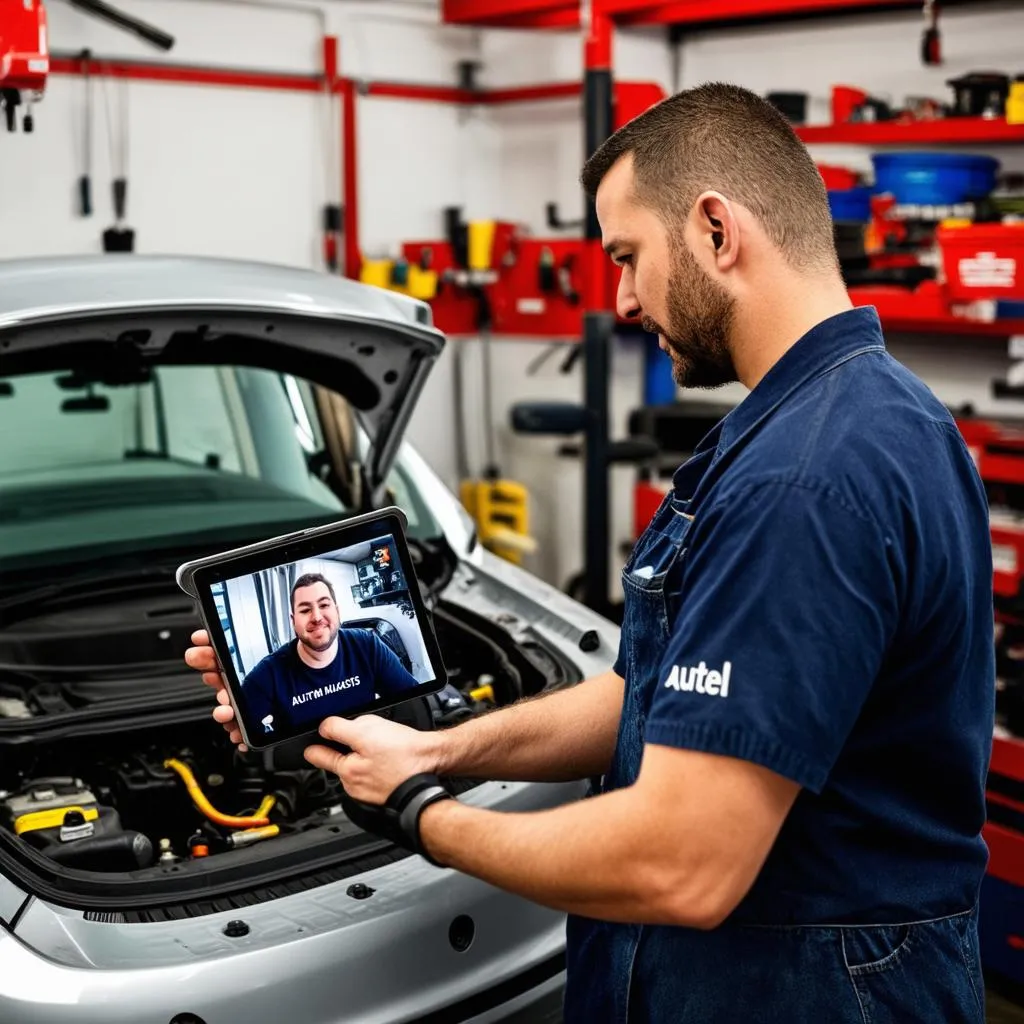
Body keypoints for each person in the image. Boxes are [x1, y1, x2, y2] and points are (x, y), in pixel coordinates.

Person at [186, 83, 994, 1022]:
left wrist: (421, 815)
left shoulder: (801, 483)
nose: (620, 297)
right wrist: (441, 749)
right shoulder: (869, 413)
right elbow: (651, 690)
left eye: (628, 256)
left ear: (715, 231)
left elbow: (682, 864)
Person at [238, 572, 420, 740]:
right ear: (293, 621)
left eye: (324, 605)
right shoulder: (269, 673)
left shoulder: (368, 646)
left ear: (337, 611)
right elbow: (243, 731)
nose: (317, 617)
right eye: (305, 610)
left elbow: (415, 700)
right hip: (311, 769)